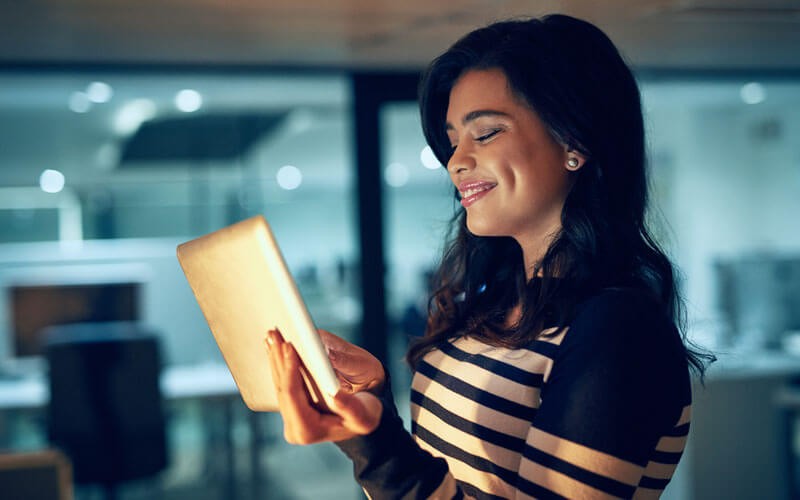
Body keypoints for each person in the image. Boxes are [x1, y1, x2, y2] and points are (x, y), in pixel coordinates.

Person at [265, 13, 712, 499]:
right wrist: (371, 410)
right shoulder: (494, 303)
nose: (455, 161)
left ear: (575, 142)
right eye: (453, 139)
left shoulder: (618, 328)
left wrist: (381, 451)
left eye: (486, 133)